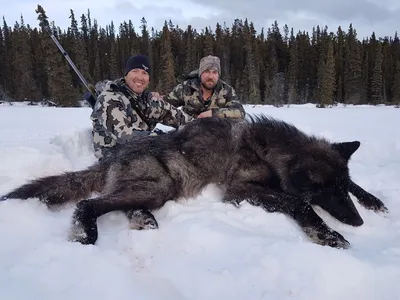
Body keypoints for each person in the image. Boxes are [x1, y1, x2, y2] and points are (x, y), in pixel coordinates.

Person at [90, 54, 193, 159]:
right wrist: (161, 138)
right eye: (135, 71)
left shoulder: (148, 101)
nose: (139, 77)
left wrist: (201, 125)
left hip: (142, 156)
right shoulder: (109, 98)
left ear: (148, 80)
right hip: (114, 162)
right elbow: (123, 134)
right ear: (126, 75)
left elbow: (179, 117)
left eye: (144, 73)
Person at [161, 55, 246, 119]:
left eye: (214, 72)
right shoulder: (185, 87)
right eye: (207, 71)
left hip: (218, 135)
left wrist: (213, 114)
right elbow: (165, 104)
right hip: (188, 133)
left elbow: (240, 112)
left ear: (218, 75)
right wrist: (156, 98)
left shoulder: (227, 90)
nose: (210, 76)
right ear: (200, 73)